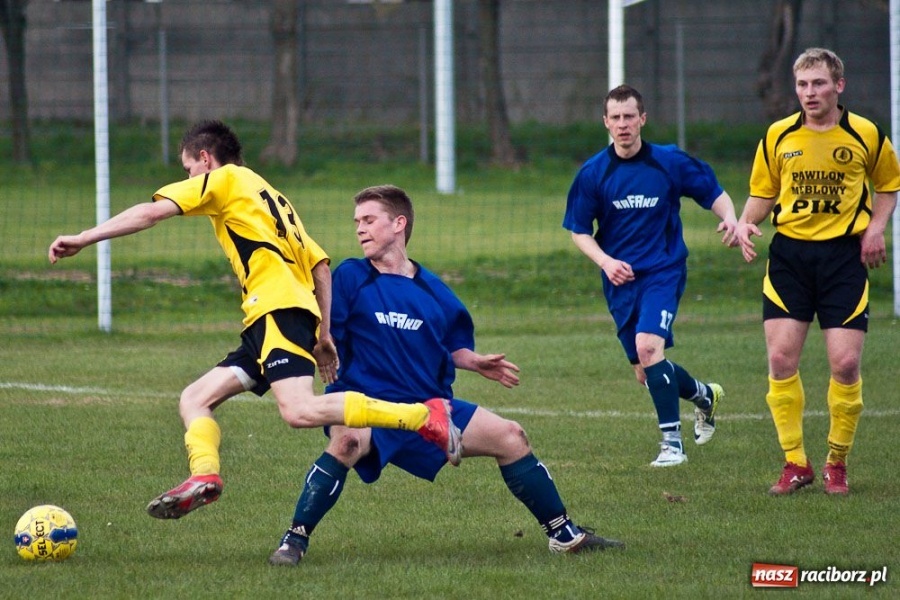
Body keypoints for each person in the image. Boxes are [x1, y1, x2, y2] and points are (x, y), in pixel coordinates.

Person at [47, 120, 461, 519]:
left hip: (275, 308)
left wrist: (84, 238)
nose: (190, 179)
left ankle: (423, 416)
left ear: (206, 159)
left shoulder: (225, 180)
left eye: (189, 170)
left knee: (298, 411)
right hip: (278, 315)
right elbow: (319, 266)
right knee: (195, 398)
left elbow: (151, 213)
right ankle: (204, 475)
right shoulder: (272, 195)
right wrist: (323, 334)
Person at [268, 185, 624, 566]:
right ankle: (294, 541)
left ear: (399, 224)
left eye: (369, 220)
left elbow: (452, 346)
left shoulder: (434, 291)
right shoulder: (352, 277)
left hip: (429, 409)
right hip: (365, 404)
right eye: (357, 222)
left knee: (511, 435)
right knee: (347, 443)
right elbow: (322, 330)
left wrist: (474, 361)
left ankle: (563, 534)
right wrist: (318, 343)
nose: (360, 229)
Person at [734, 48, 900, 495]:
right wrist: (746, 222)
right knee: (781, 359)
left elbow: (888, 185)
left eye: (819, 84)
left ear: (838, 86)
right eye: (803, 85)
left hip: (844, 259)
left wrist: (876, 230)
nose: (810, 93)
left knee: (845, 364)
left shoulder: (865, 134)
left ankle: (836, 463)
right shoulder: (778, 136)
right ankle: (795, 463)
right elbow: (764, 193)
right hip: (790, 258)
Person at [562, 85, 737, 468]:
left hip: (663, 270)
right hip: (620, 280)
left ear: (643, 119)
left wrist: (731, 219)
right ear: (605, 122)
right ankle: (704, 395)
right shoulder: (594, 173)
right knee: (646, 371)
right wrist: (606, 262)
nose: (623, 125)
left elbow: (714, 192)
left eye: (630, 116)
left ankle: (672, 446)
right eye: (616, 118)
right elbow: (578, 230)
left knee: (648, 347)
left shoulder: (668, 162)